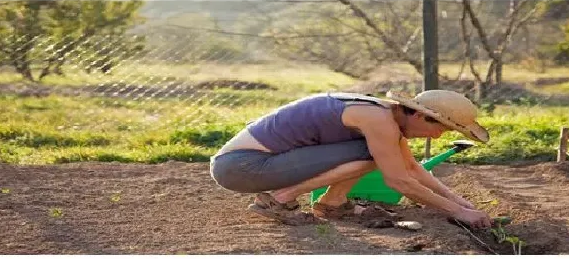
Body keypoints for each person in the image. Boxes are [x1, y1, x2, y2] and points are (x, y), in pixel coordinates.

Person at [209, 90, 492, 228]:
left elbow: (411, 167)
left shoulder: (384, 115)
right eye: (439, 128)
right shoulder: (378, 120)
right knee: (372, 154)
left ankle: (332, 204)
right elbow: (398, 180)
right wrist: (458, 214)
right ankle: (282, 198)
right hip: (241, 167)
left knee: (375, 153)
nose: (439, 137)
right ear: (419, 115)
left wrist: (458, 201)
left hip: (252, 164)